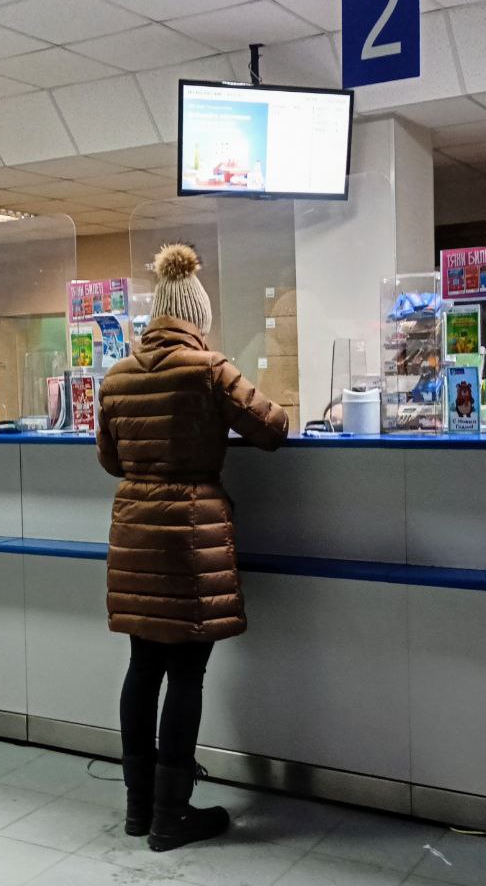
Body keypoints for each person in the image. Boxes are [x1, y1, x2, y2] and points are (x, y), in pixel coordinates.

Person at [97, 243, 288, 852]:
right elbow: (273, 428)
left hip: (134, 532)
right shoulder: (209, 369)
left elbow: (110, 459)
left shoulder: (117, 376)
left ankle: (138, 808)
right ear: (197, 316)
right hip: (189, 535)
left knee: (142, 667)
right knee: (186, 672)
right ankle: (171, 815)